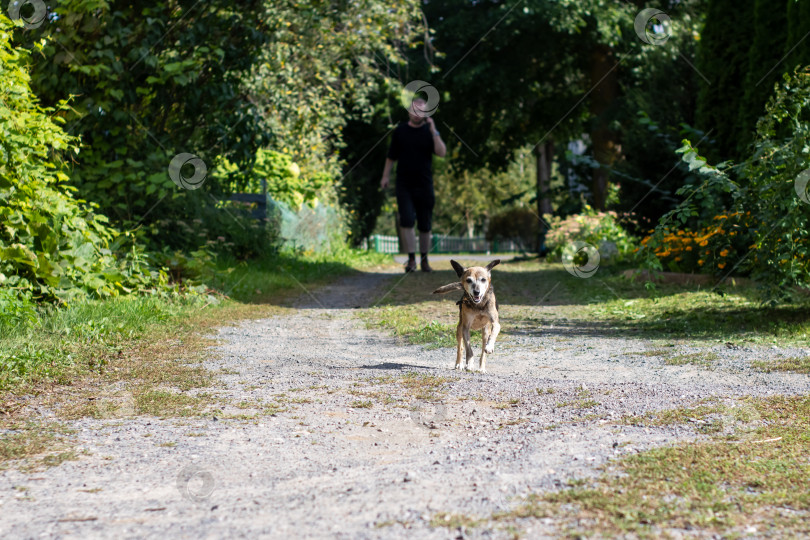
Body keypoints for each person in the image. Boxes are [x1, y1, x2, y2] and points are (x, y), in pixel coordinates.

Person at [380, 98, 447, 272]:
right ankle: (411, 260)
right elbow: (391, 156)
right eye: (415, 110)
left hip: (425, 185)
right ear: (409, 111)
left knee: (425, 224)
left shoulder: (429, 132)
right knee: (407, 220)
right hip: (404, 185)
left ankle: (425, 260)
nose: (417, 114)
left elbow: (441, 153)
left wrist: (434, 131)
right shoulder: (400, 131)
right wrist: (385, 176)